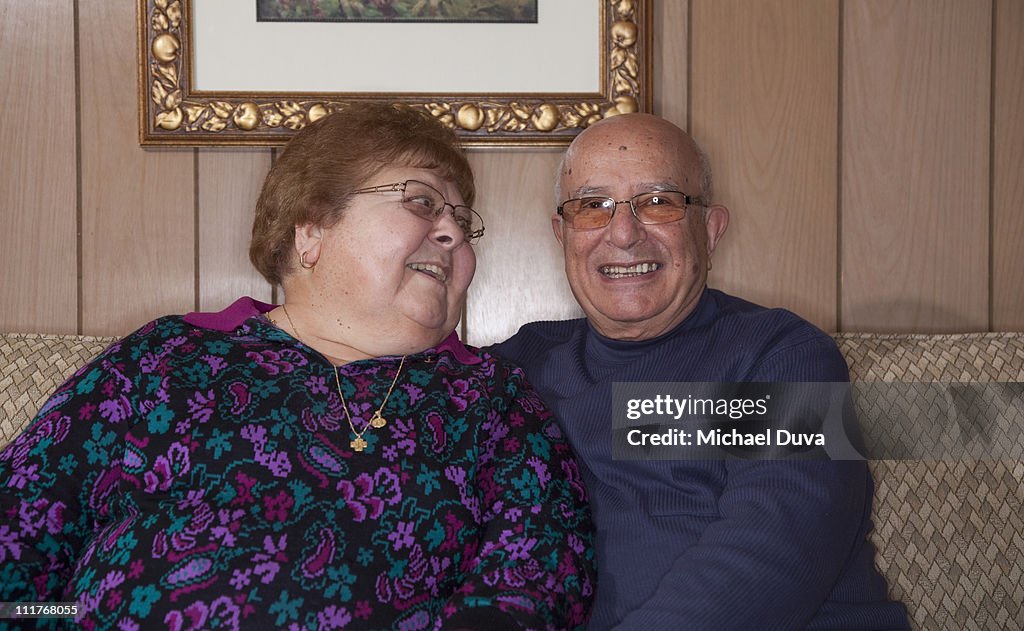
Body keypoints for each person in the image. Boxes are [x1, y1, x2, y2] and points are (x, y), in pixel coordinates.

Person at [0, 105, 595, 630]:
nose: (452, 234)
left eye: (464, 224)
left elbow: (538, 575)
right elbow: (18, 538)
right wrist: (75, 613)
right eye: (421, 202)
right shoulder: (163, 358)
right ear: (310, 231)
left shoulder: (490, 399)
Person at [491, 113, 910, 629]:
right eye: (592, 207)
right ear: (563, 234)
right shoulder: (515, 368)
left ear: (710, 230)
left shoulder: (782, 354)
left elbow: (772, 554)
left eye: (659, 202)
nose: (623, 233)